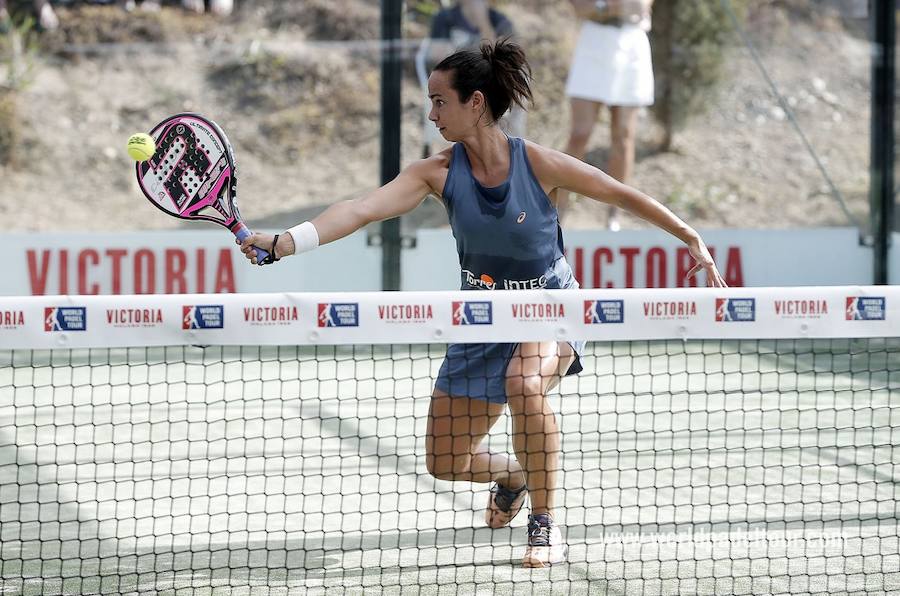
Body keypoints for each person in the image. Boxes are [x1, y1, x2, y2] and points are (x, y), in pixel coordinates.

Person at [238, 38, 726, 568]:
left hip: (548, 306)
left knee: (524, 382)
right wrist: (288, 240)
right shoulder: (437, 173)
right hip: (482, 314)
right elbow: (360, 209)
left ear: (475, 103)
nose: (431, 113)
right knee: (444, 460)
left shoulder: (537, 163)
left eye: (440, 101)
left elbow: (618, 192)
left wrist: (689, 236)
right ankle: (513, 473)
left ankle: (545, 522)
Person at [562, 0, 655, 231]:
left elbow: (639, 5)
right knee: (579, 134)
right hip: (594, 40)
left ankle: (614, 217)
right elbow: (580, 8)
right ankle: (558, 212)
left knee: (623, 136)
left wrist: (603, 5)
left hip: (631, 41)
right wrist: (611, 7)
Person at [415, 0, 523, 156]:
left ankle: (503, 154)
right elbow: (437, 59)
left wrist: (483, 22)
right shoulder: (445, 18)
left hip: (489, 85)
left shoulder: (499, 20)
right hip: (455, 86)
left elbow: (508, 64)